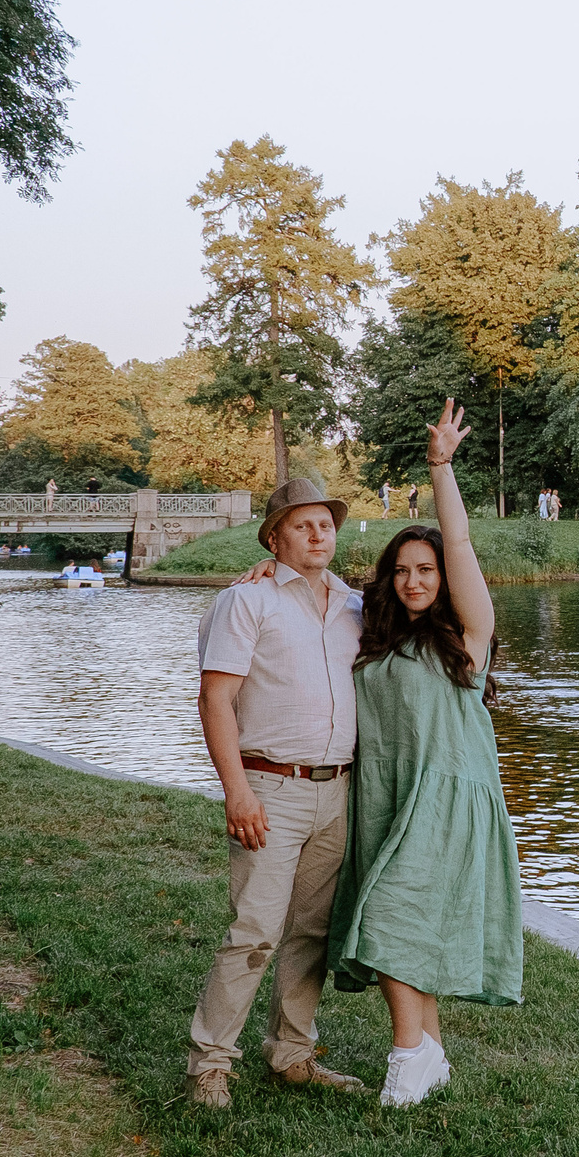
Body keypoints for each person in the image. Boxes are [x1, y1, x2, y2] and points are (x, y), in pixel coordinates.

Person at [323, 399, 523, 1109]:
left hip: (447, 798)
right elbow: (313, 590)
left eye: (426, 570)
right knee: (405, 922)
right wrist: (266, 572)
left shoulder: (466, 639)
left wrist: (441, 467)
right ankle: (429, 1049)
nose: (414, 580)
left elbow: (462, 544)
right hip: (387, 795)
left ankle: (408, 1056)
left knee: (389, 917)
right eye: (403, 569)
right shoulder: (372, 632)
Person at [184, 473, 367, 1108]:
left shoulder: (354, 606)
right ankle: (211, 1062)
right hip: (270, 787)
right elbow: (216, 700)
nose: (319, 534)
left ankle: (293, 1054)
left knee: (311, 931)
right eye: (303, 525)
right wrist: (237, 793)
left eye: (326, 524)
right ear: (275, 537)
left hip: (339, 791)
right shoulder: (247, 602)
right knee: (255, 929)